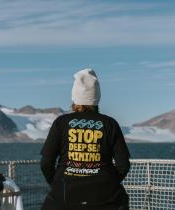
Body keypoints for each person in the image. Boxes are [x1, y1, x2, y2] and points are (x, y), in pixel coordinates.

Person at [40, 68, 131, 210]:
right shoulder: (110, 124)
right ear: (97, 97)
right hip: (105, 197)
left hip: (64, 195)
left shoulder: (61, 123)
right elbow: (123, 165)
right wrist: (110, 181)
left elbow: (46, 163)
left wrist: (56, 183)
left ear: (75, 97)